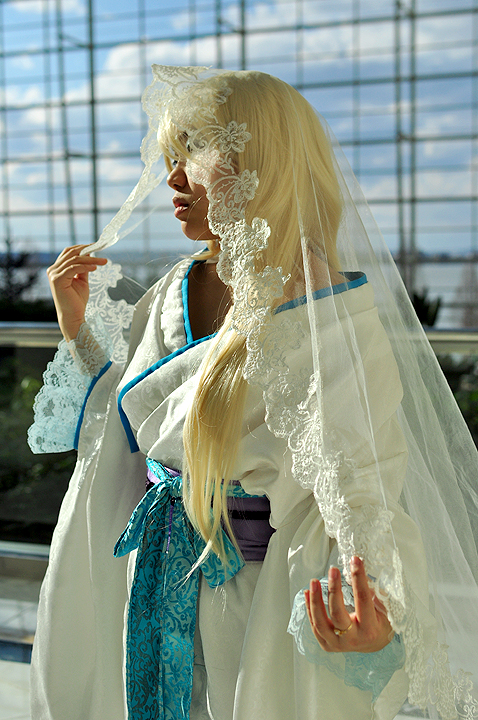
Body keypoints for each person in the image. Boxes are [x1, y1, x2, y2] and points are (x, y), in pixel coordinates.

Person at [28, 67, 478, 720]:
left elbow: (364, 483)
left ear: (255, 161)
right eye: (170, 158)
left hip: (251, 603)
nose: (173, 179)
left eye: (191, 154)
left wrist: (376, 607)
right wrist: (80, 332)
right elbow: (126, 425)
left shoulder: (327, 315)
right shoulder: (172, 289)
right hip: (149, 581)